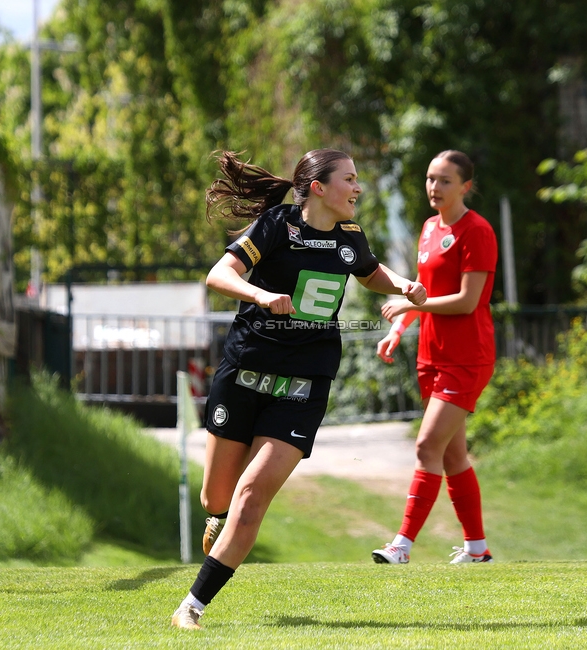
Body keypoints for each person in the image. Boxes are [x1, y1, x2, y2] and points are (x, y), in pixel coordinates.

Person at [170, 149, 426, 630]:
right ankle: (217, 516)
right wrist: (261, 294)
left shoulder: (350, 237)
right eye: (349, 179)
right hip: (246, 370)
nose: (358, 188)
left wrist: (405, 286)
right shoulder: (275, 226)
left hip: (306, 381)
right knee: (216, 497)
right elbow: (218, 275)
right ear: (318, 188)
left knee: (251, 496)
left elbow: (370, 274)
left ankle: (191, 607)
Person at [370, 150, 498, 565]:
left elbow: (466, 302)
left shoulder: (476, 231)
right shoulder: (428, 228)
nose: (434, 187)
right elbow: (421, 290)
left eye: (445, 180)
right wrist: (397, 329)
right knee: (451, 454)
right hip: (432, 356)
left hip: (467, 358)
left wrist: (410, 310)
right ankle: (477, 550)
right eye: (430, 179)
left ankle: (401, 545)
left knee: (426, 445)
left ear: (466, 186)